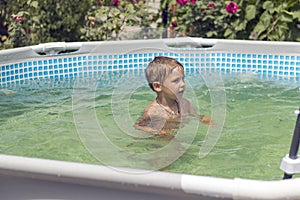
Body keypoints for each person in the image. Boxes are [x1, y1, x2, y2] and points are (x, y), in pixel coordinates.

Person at [134, 56, 212, 135]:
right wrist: (158, 132)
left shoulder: (185, 104)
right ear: (157, 86)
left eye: (183, 79)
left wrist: (204, 118)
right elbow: (139, 126)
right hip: (159, 141)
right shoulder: (153, 111)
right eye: (176, 81)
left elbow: (195, 116)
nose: (183, 84)